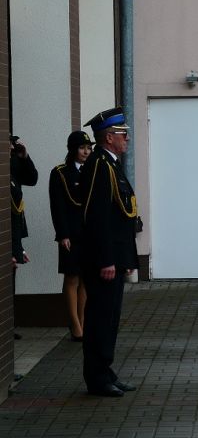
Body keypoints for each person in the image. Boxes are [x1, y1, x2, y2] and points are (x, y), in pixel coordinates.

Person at [78, 107, 138, 397]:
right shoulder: (99, 166)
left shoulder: (111, 164)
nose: (127, 138)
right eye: (122, 133)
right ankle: (97, 378)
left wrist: (126, 259)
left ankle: (105, 371)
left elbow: (121, 216)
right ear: (109, 137)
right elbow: (96, 217)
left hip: (115, 257)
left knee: (110, 318)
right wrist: (106, 260)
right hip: (104, 260)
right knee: (100, 319)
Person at [49, 131, 93, 342]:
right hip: (71, 234)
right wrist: (63, 234)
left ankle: (83, 321)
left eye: (89, 148)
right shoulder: (60, 173)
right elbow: (57, 206)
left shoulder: (93, 170)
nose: (86, 152)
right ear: (73, 149)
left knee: (85, 278)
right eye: (82, 148)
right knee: (72, 277)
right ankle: (74, 324)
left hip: (89, 233)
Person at [10, 135, 38, 340]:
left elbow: (32, 179)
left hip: (14, 232)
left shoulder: (13, 163)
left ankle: (8, 325)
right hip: (8, 232)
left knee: (10, 279)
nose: (12, 148)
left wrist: (24, 157)